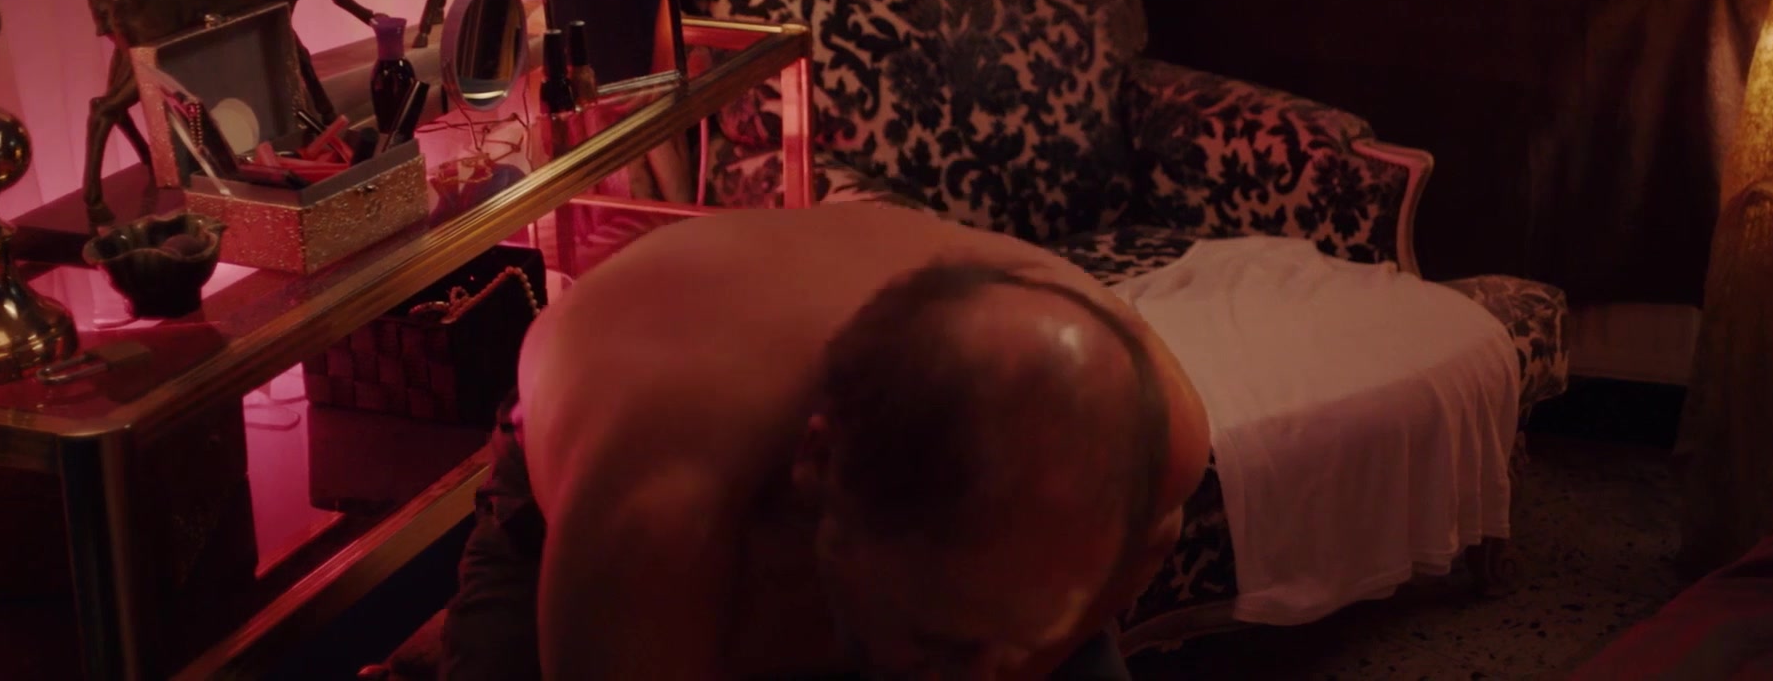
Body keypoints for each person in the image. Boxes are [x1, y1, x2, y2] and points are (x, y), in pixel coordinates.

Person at [441, 203, 1210, 680]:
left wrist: (1015, 653)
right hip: (593, 475)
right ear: (815, 469)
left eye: (1003, 642)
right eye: (937, 644)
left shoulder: (1155, 428)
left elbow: (1145, 543)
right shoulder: (652, 512)